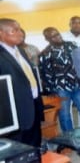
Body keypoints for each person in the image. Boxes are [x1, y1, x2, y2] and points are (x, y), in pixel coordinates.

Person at [0, 18, 44, 147]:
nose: (21, 33)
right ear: (1, 34)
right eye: (15, 30)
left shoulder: (21, 51)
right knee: (20, 147)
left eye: (20, 29)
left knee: (35, 143)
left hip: (33, 103)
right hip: (15, 110)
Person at [39, 27, 80, 132]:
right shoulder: (45, 53)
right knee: (65, 114)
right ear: (47, 39)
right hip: (61, 88)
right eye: (53, 36)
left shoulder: (71, 46)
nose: (58, 37)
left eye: (58, 34)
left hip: (77, 84)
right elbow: (45, 73)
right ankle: (69, 137)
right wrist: (51, 89)